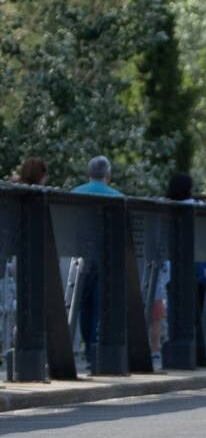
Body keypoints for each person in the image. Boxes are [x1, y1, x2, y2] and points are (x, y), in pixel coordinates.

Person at [71, 156, 124, 371]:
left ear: (88, 174)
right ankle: (96, 347)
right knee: (100, 303)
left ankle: (87, 346)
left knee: (84, 303)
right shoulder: (118, 197)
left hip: (81, 257)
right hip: (106, 257)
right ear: (108, 176)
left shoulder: (75, 194)